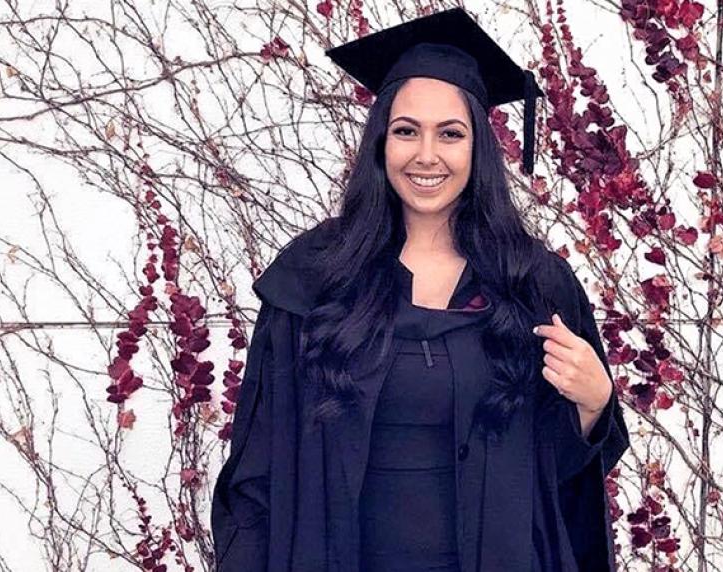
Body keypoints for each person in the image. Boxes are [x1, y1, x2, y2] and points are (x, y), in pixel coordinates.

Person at [210, 7, 630, 571]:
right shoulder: (315, 277)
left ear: (477, 148)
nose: (426, 155)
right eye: (407, 130)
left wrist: (594, 403)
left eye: (450, 134)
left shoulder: (533, 285)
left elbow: (553, 488)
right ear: (382, 143)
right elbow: (257, 471)